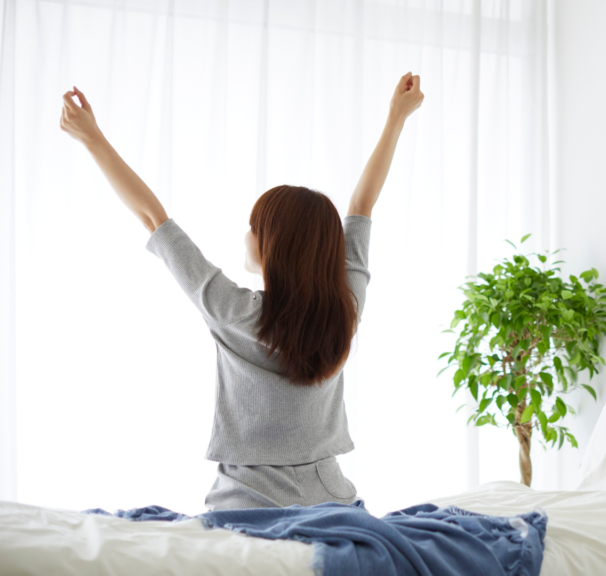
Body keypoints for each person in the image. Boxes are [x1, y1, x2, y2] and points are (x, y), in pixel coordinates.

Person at [59, 73, 424, 510]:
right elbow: (362, 206)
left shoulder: (232, 311)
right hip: (334, 503)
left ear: (272, 246)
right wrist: (396, 119)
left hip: (248, 505)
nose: (246, 234)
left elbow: (152, 217)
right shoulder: (344, 308)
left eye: (255, 227)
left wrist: (93, 139)